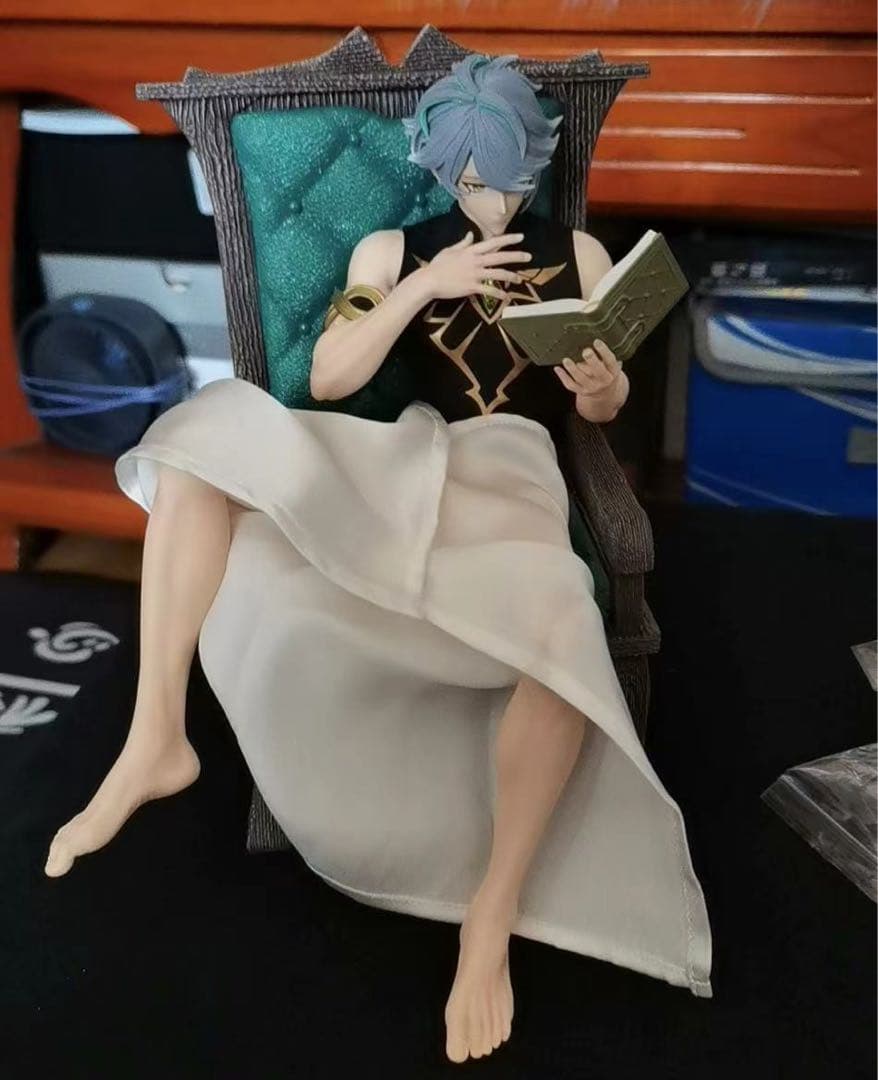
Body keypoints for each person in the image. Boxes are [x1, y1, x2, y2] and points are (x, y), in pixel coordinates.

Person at [44, 53, 712, 1065]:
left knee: (558, 619)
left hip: (515, 470)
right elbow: (326, 375)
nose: (496, 201)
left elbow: (605, 407)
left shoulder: (574, 248)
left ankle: (490, 914)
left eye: (513, 177)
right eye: (475, 181)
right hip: (404, 451)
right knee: (202, 435)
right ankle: (155, 736)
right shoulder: (392, 247)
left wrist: (598, 384)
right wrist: (421, 286)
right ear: (444, 170)